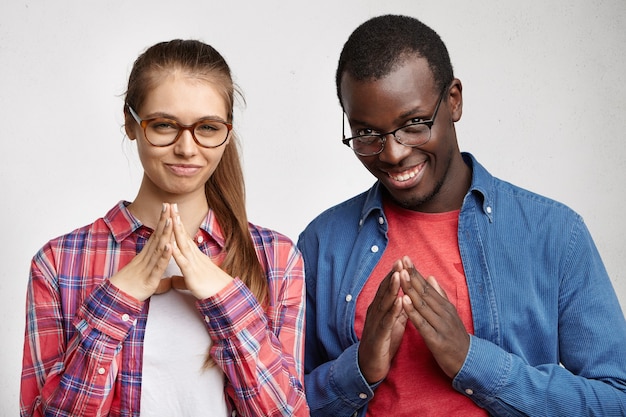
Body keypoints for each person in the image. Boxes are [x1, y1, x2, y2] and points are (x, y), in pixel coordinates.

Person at [298, 14, 626, 417]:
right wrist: (360, 368)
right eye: (367, 134)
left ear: (453, 100)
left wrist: (471, 361)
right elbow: (282, 402)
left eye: (414, 124)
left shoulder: (556, 234)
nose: (393, 153)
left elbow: (616, 398)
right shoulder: (322, 243)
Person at [20, 39, 309, 417]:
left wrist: (225, 301)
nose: (187, 148)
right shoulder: (59, 263)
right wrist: (118, 298)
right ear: (131, 124)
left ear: (227, 131)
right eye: (164, 125)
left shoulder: (277, 258)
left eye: (207, 127)